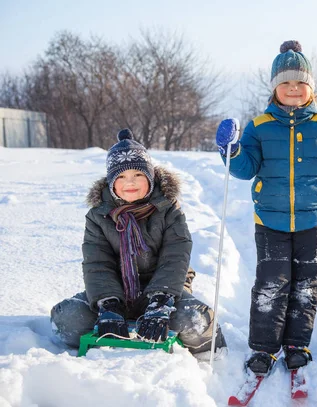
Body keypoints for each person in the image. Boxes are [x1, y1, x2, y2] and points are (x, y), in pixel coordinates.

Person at [215, 40, 317, 375]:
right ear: (275, 88)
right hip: (271, 219)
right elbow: (245, 169)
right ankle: (263, 349)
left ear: (311, 89)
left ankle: (297, 345)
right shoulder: (259, 126)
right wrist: (230, 149)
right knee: (270, 285)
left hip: (313, 219)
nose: (293, 89)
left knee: (305, 286)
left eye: (300, 83)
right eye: (286, 83)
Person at [51, 129, 226, 359]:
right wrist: (109, 305)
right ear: (111, 182)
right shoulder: (99, 216)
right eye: (121, 177)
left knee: (193, 321)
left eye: (137, 175)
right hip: (117, 292)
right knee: (68, 317)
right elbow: (97, 263)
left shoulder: (169, 210)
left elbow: (176, 257)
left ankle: (207, 343)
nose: (129, 183)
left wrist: (161, 302)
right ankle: (116, 318)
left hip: (166, 292)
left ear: (150, 177)